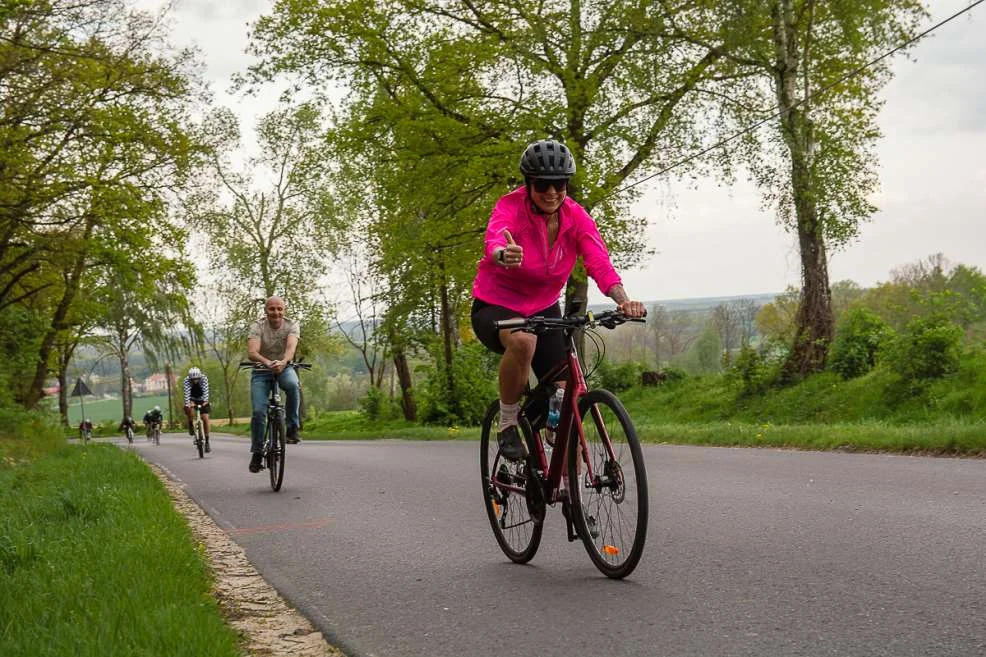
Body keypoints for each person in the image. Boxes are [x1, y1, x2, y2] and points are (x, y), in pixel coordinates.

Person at [470, 139, 646, 461]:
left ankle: (571, 495)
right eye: (543, 185)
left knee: (567, 402)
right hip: (497, 304)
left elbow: (599, 263)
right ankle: (508, 421)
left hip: (544, 308)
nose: (552, 192)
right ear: (528, 184)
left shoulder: (576, 217)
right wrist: (501, 254)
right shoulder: (510, 207)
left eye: (559, 184)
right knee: (523, 343)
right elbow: (494, 238)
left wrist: (623, 300)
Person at [246, 295, 301, 473]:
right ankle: (257, 452)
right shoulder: (257, 326)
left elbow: (291, 348)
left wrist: (283, 362)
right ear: (266, 310)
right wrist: (268, 362)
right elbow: (252, 352)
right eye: (272, 309)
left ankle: (292, 426)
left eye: (279, 309)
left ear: (284, 311)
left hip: (284, 367)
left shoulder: (292, 325)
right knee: (258, 411)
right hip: (262, 371)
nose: (276, 313)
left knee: (293, 385)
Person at [182, 366, 212, 453]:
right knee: (188, 409)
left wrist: (205, 401)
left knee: (205, 418)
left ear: (199, 377)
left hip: (202, 398)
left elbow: (206, 391)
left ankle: (207, 441)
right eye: (193, 379)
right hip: (192, 398)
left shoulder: (204, 378)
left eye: (197, 379)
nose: (195, 381)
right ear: (190, 378)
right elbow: (187, 394)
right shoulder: (186, 380)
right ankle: (191, 424)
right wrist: (188, 404)